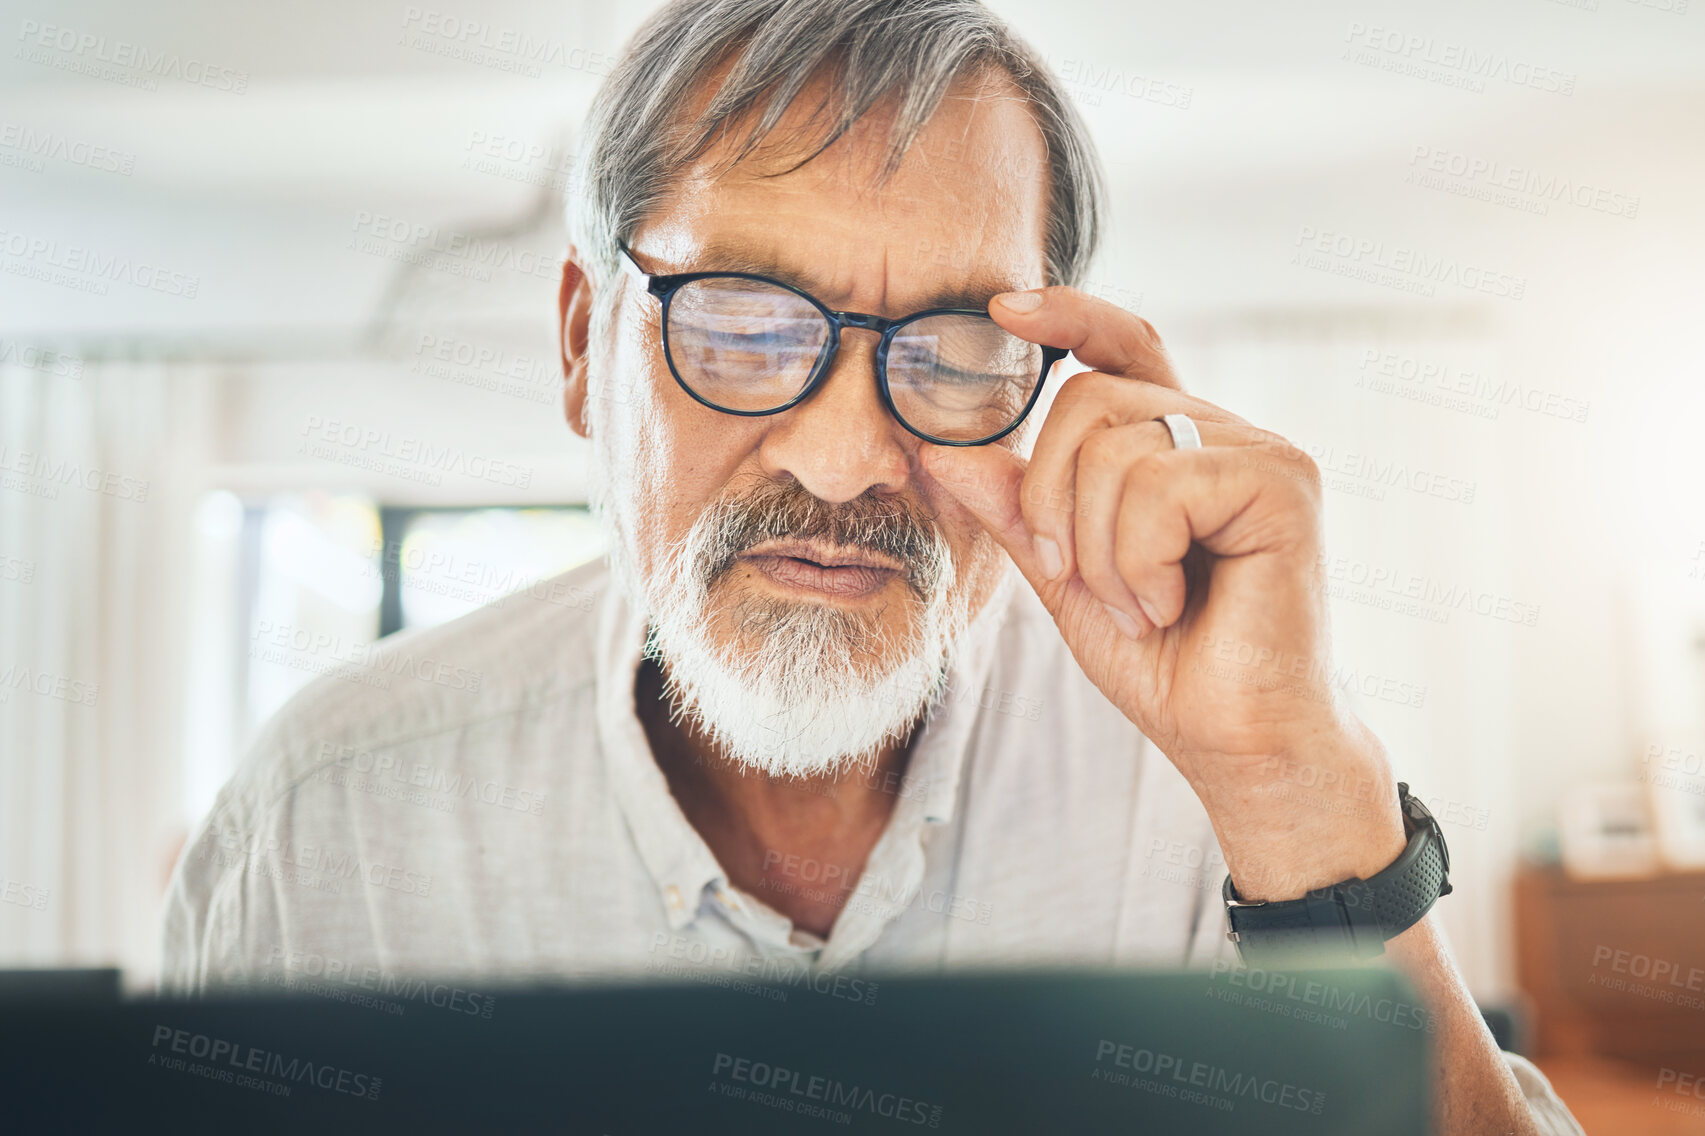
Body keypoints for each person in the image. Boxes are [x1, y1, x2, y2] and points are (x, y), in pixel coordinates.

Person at [163, 2, 1582, 1131]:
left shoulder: (1203, 794)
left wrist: (1294, 791)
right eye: (738, 322)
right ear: (588, 348)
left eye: (958, 349)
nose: (846, 462)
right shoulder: (328, 821)